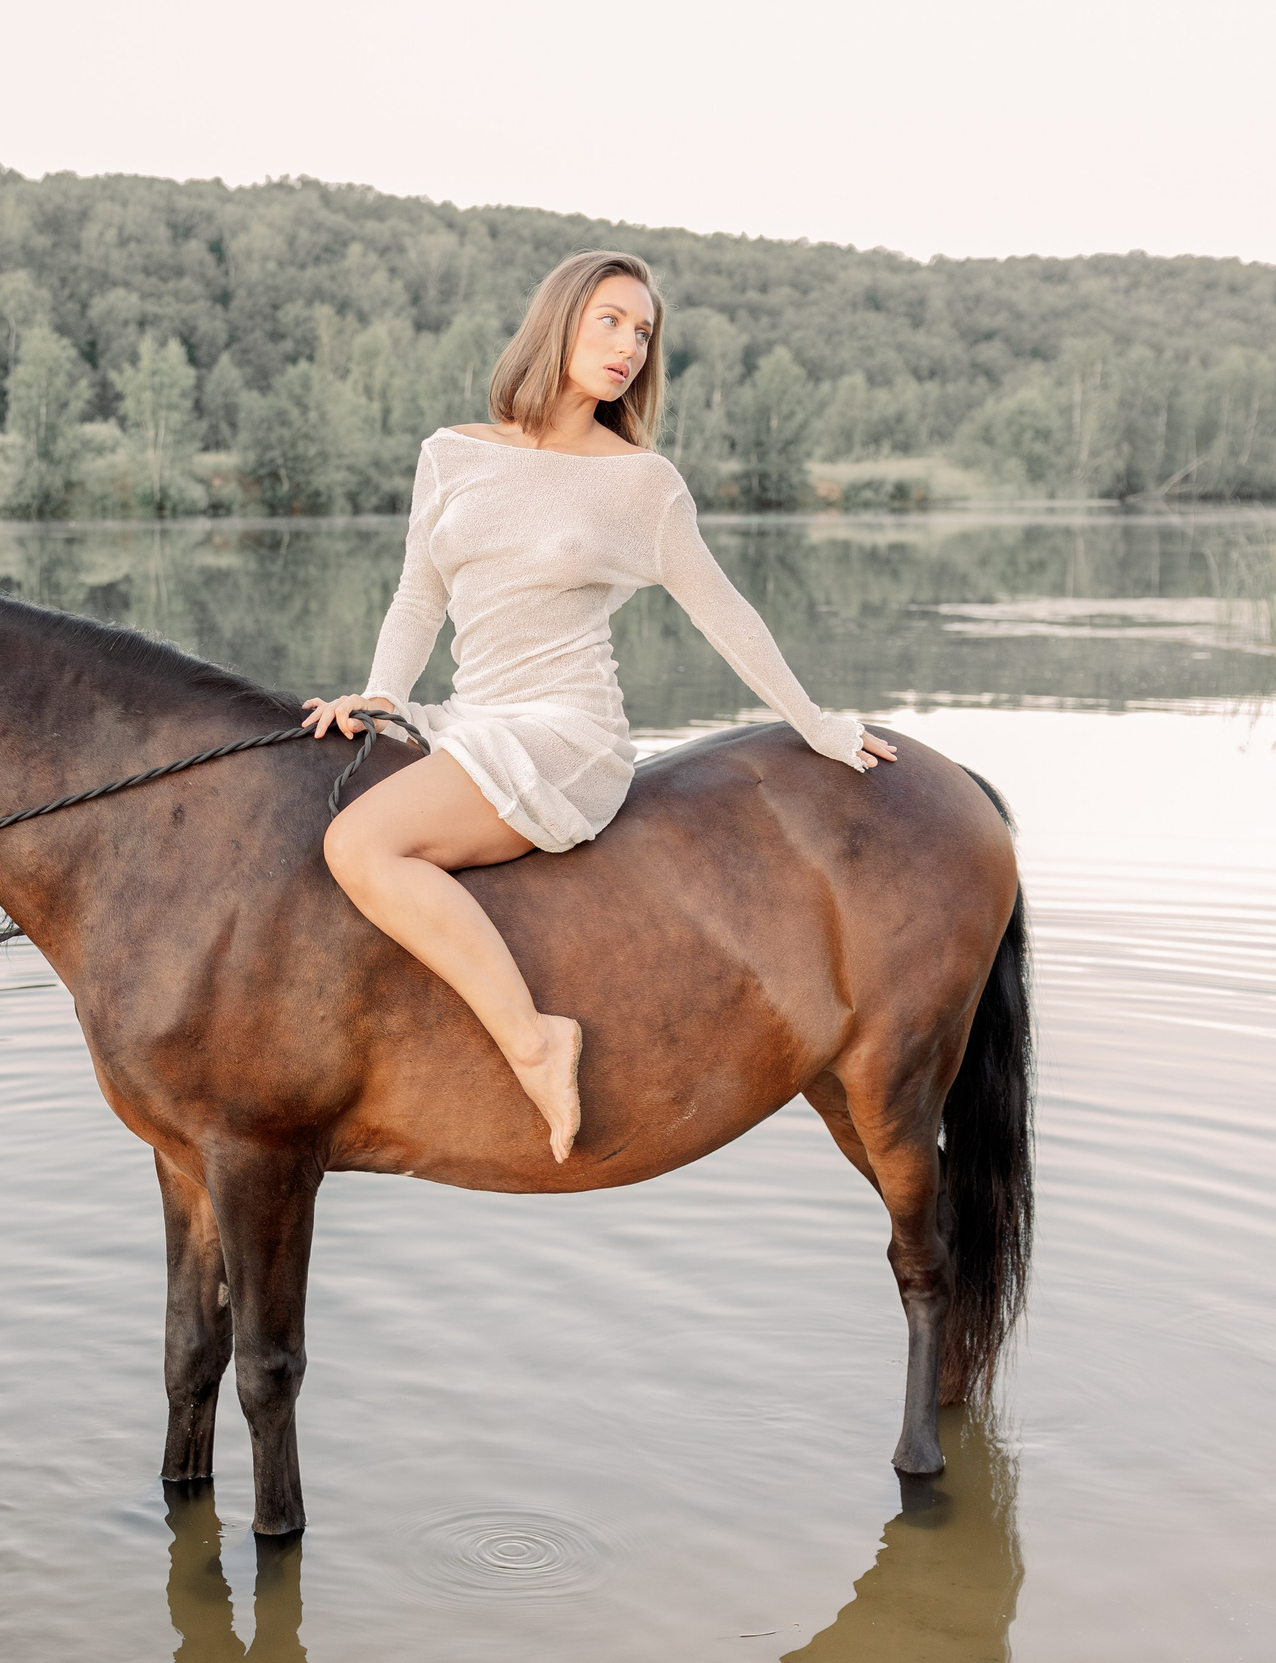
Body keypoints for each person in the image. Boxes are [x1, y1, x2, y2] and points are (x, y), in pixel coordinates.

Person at [303, 250, 898, 1162]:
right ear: (562, 321)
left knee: (358, 843)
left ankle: (536, 1041)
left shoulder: (640, 483)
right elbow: (418, 597)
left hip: (563, 733)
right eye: (610, 321)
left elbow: (724, 614)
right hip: (471, 715)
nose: (629, 347)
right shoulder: (450, 454)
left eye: (644, 332)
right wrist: (384, 698)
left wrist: (818, 725)